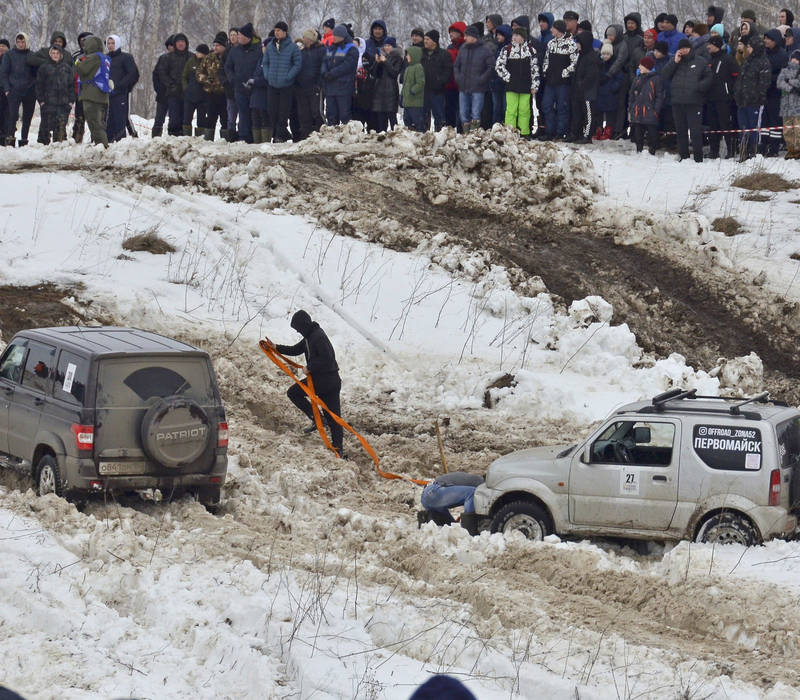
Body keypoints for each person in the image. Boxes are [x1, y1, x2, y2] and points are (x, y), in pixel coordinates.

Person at [265, 310, 343, 457]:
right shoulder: (309, 336)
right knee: (332, 416)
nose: (298, 332)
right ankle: (322, 425)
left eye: (298, 329)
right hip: (322, 380)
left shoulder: (318, 337)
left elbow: (327, 358)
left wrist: (310, 367)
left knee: (296, 394)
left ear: (304, 325)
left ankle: (336, 446)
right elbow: (296, 349)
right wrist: (276, 347)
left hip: (327, 380)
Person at [662, 38, 712, 161]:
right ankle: (684, 156)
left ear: (690, 48)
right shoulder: (675, 61)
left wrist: (699, 87)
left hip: (694, 102)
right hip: (677, 101)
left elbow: (709, 77)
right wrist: (674, 62)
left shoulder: (700, 61)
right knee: (680, 131)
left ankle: (698, 158)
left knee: (695, 132)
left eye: (686, 48)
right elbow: (664, 75)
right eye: (681, 48)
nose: (683, 50)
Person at [495, 25, 539, 138]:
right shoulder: (506, 49)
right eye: (514, 35)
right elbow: (499, 66)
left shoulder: (531, 50)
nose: (515, 37)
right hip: (511, 86)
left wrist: (535, 85)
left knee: (524, 110)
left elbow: (535, 69)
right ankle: (510, 133)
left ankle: (524, 133)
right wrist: (508, 77)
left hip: (526, 86)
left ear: (523, 38)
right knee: (511, 110)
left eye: (518, 35)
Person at [262, 21, 301, 142]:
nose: (276, 32)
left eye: (279, 30)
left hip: (286, 85)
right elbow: (266, 62)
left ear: (284, 32)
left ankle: (279, 136)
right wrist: (267, 75)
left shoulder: (293, 47)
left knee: (283, 112)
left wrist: (289, 76)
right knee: (272, 111)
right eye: (275, 30)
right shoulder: (270, 46)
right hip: (272, 84)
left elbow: (297, 64)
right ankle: (282, 133)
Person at [734, 34, 771, 160]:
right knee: (743, 127)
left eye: (749, 46)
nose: (747, 49)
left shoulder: (763, 62)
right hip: (742, 102)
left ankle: (755, 153)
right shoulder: (747, 61)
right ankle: (744, 152)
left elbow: (764, 83)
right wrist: (737, 94)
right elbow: (740, 80)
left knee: (754, 128)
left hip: (755, 102)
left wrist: (756, 97)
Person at [541, 19, 578, 140]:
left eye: (553, 28)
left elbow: (575, 63)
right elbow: (546, 59)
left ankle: (560, 132)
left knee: (562, 108)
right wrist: (545, 69)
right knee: (546, 106)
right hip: (550, 82)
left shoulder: (571, 44)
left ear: (559, 30)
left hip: (563, 83)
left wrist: (565, 72)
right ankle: (549, 131)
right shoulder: (550, 43)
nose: (551, 30)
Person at [454, 24, 495, 133]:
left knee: (476, 113)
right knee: (463, 114)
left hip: (478, 88)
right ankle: (466, 134)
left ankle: (474, 136)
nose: (464, 38)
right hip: (463, 87)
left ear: (473, 36)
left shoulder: (485, 49)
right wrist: (458, 78)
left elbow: (491, 66)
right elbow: (456, 65)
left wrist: (481, 79)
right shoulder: (463, 48)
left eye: (466, 35)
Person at [225, 23, 261, 142]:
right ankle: (243, 136)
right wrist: (233, 79)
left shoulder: (258, 49)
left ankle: (254, 137)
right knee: (243, 112)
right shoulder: (234, 51)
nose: (237, 37)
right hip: (239, 88)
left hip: (254, 88)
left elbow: (261, 66)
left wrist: (255, 79)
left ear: (247, 37)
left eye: (240, 35)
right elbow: (228, 67)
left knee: (254, 113)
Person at [0, 33, 36, 146]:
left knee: (27, 117)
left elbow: (37, 73)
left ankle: (24, 141)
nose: (21, 44)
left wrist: (34, 87)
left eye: (23, 42)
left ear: (26, 42)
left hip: (29, 91)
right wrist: (7, 89)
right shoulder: (9, 55)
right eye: (19, 42)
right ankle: (10, 140)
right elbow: (4, 73)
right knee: (12, 116)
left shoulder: (31, 55)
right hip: (13, 90)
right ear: (16, 42)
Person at [706, 34, 739, 157]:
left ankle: (731, 151)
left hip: (724, 98)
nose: (708, 46)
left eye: (710, 44)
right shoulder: (709, 60)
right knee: (712, 125)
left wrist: (730, 92)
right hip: (710, 98)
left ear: (717, 46)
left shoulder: (728, 58)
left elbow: (736, 76)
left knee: (725, 124)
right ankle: (713, 151)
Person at [34, 43, 74, 144]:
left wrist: (71, 101)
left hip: (63, 104)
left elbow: (72, 86)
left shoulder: (67, 68)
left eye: (57, 53)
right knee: (45, 129)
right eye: (53, 53)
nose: (55, 55)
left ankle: (58, 150)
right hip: (48, 104)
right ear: (50, 54)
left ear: (61, 55)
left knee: (60, 129)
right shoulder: (44, 68)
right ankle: (42, 150)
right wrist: (41, 101)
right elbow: (39, 85)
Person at [75, 35, 110, 147]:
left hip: (92, 95)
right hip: (101, 94)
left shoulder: (93, 57)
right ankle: (101, 145)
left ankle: (102, 146)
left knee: (94, 123)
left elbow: (82, 69)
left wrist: (78, 63)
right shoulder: (103, 57)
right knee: (99, 123)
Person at [322, 25, 358, 125]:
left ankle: (349, 136)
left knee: (344, 115)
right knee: (331, 114)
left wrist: (332, 73)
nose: (335, 37)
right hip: (330, 87)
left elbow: (348, 66)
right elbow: (324, 61)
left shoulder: (351, 49)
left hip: (344, 87)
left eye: (337, 36)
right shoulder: (330, 48)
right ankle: (332, 136)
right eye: (334, 35)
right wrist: (324, 72)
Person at [418, 472, 485, 526]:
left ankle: (427, 517)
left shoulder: (470, 480)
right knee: (473, 492)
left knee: (452, 527)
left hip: (428, 496)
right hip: (434, 491)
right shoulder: (480, 481)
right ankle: (470, 529)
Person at [106, 35, 139, 143]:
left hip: (121, 94)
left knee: (121, 118)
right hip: (108, 94)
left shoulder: (126, 57)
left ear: (118, 43)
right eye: (108, 43)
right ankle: (108, 142)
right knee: (109, 119)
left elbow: (133, 74)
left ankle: (121, 142)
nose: (110, 45)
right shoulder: (105, 58)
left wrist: (122, 86)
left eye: (113, 43)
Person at [628, 56, 664, 154]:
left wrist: (655, 110)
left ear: (647, 67)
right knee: (638, 132)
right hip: (637, 110)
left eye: (641, 65)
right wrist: (631, 107)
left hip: (650, 111)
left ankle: (652, 150)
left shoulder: (656, 79)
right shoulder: (637, 78)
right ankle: (639, 149)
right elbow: (631, 94)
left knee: (652, 133)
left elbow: (659, 96)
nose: (639, 66)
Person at [157, 32, 190, 136]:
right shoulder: (166, 58)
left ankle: (185, 138)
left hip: (187, 93)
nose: (181, 44)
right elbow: (161, 73)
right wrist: (171, 85)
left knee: (186, 118)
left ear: (186, 43)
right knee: (174, 118)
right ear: (175, 44)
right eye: (178, 42)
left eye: (183, 42)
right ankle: (173, 137)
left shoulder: (191, 57)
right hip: (172, 92)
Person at [195, 34, 227, 140]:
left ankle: (226, 141)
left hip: (224, 93)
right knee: (210, 119)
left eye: (218, 45)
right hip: (210, 93)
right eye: (214, 45)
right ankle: (208, 142)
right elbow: (199, 72)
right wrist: (206, 79)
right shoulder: (209, 57)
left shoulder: (228, 57)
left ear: (224, 46)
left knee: (225, 119)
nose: (215, 47)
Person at [569, 30, 599, 143]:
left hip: (588, 92)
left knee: (588, 115)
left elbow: (591, 76)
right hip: (578, 91)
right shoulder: (581, 55)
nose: (577, 45)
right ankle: (575, 134)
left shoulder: (592, 57)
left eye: (579, 42)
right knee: (577, 113)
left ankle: (587, 136)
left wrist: (581, 84)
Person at [295, 29, 325, 139]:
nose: (303, 39)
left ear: (310, 39)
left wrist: (318, 83)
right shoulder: (301, 52)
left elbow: (323, 68)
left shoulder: (321, 51)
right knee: (303, 114)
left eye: (304, 37)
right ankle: (304, 137)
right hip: (301, 88)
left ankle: (322, 134)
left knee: (316, 112)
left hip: (315, 87)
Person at [763, 29, 789, 155]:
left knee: (774, 122)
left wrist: (769, 78)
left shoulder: (782, 55)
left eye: (769, 39)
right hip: (764, 93)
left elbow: (783, 75)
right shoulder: (763, 53)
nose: (766, 41)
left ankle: (774, 148)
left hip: (776, 93)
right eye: (765, 38)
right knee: (764, 121)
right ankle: (763, 146)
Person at [420, 30, 452, 131]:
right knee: (423, 117)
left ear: (434, 41)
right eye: (424, 39)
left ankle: (439, 137)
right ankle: (424, 137)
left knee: (439, 117)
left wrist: (440, 82)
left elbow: (448, 71)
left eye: (427, 39)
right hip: (423, 90)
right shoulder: (421, 54)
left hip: (438, 91)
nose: (425, 41)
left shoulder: (444, 54)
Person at [370, 41, 402, 132]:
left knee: (392, 117)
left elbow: (394, 73)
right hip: (379, 91)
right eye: (385, 45)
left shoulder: (398, 58)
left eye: (389, 45)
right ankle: (382, 135)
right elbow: (374, 73)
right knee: (381, 117)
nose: (387, 47)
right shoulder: (382, 56)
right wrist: (377, 63)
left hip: (390, 90)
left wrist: (386, 62)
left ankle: (396, 135)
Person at [595, 38, 623, 139]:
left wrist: (613, 88)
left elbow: (619, 78)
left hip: (610, 94)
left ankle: (608, 130)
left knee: (610, 114)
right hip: (601, 93)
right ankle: (598, 130)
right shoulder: (599, 65)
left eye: (607, 54)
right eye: (604, 54)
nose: (605, 56)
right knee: (599, 113)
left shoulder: (614, 66)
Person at [182, 43, 209, 136]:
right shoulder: (191, 61)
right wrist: (186, 88)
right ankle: (186, 138)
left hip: (203, 96)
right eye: (197, 52)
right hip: (190, 95)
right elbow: (184, 76)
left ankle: (200, 139)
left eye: (199, 52)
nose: (197, 54)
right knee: (187, 119)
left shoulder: (208, 63)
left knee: (201, 120)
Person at [777, 49, 800, 158]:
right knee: (787, 130)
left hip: (797, 106)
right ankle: (791, 150)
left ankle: (798, 149)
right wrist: (791, 88)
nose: (794, 61)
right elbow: (779, 83)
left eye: (797, 59)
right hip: (785, 106)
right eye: (793, 59)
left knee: (798, 129)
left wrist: (789, 81)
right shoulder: (784, 70)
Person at [71, 32, 93, 142]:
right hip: (79, 90)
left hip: (93, 91)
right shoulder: (75, 55)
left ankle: (96, 139)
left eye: (86, 40)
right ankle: (77, 138)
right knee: (79, 117)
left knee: (94, 117)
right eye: (81, 40)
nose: (83, 43)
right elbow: (72, 72)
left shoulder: (97, 55)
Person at [445, 22, 467, 129]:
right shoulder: (449, 47)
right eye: (450, 32)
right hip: (449, 85)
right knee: (449, 111)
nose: (451, 34)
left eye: (453, 32)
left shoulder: (466, 47)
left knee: (461, 111)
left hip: (462, 86)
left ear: (461, 33)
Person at [402, 46, 425, 131]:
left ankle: (420, 138)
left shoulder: (418, 67)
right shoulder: (408, 68)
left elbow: (421, 82)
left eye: (408, 55)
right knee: (407, 122)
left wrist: (413, 90)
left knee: (418, 123)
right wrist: (402, 96)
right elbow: (405, 85)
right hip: (407, 102)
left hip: (415, 102)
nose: (406, 57)